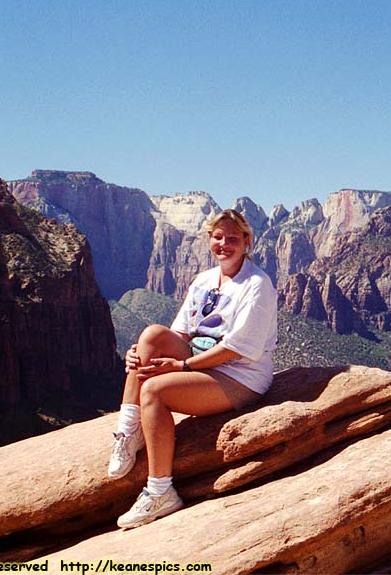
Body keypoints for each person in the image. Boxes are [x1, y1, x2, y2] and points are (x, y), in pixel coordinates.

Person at [109, 209, 278, 529]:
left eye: (232, 239)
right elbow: (180, 335)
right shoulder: (204, 281)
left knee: (155, 391)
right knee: (151, 335)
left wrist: (182, 365)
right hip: (200, 361)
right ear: (209, 240)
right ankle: (129, 432)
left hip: (239, 376)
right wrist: (137, 354)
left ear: (246, 241)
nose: (224, 244)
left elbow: (234, 349)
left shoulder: (257, 284)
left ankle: (161, 491)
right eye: (218, 237)